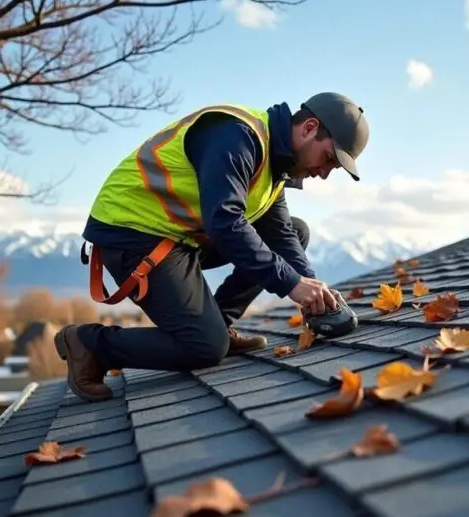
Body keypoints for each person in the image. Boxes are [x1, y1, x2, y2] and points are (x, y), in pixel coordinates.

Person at [53, 92, 370, 402]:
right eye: (329, 158)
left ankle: (217, 322)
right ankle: (90, 344)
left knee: (297, 232)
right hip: (132, 233)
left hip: (175, 236)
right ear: (309, 128)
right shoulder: (236, 136)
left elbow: (281, 235)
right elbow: (224, 222)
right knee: (204, 347)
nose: (326, 174)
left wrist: (312, 289)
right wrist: (290, 283)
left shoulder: (274, 168)